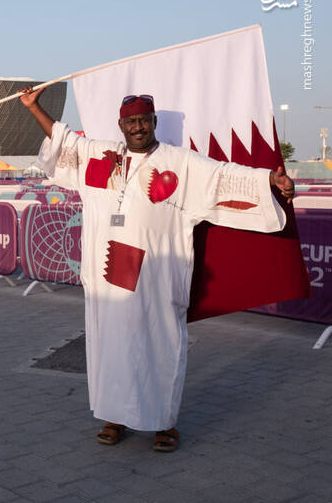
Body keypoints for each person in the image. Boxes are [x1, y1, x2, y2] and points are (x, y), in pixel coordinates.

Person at [19, 87, 295, 452]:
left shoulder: (180, 163)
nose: (138, 127)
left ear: (154, 122)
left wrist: (269, 181)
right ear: (121, 125)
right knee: (110, 346)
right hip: (108, 278)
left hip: (157, 279)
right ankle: (114, 416)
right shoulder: (100, 156)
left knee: (159, 345)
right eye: (131, 121)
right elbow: (63, 140)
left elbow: (222, 177)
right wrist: (34, 107)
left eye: (144, 121)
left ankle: (163, 423)